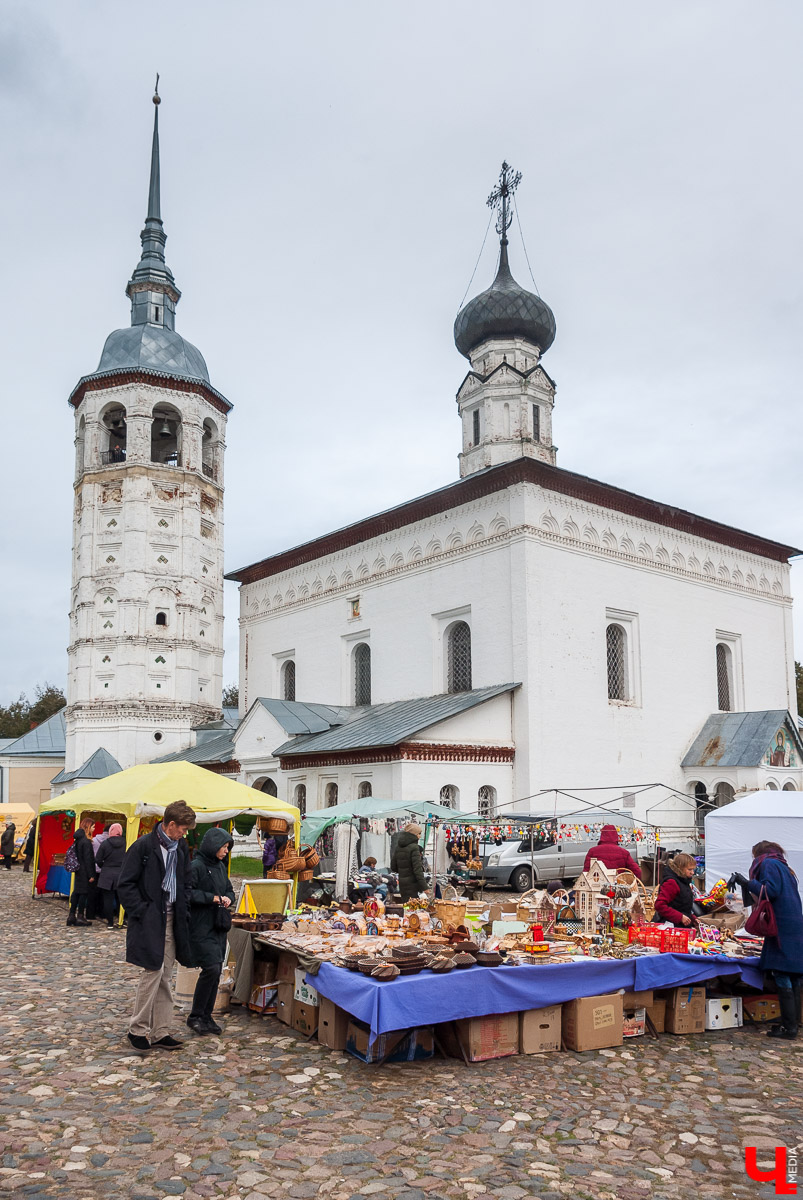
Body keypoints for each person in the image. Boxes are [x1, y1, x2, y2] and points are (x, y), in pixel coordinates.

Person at [117, 800, 196, 1052]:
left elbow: (184, 881)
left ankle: (161, 1031)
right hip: (151, 918)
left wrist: (184, 906)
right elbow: (125, 884)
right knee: (152, 972)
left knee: (166, 975)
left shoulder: (180, 847)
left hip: (173, 918)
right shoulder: (143, 847)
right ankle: (137, 1029)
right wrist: (142, 910)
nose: (185, 833)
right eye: (183, 829)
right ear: (171, 825)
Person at [731, 841, 803, 1040]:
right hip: (792, 921)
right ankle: (793, 1025)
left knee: (782, 974)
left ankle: (789, 1028)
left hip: (782, 924)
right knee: (794, 975)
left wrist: (747, 882)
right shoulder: (784, 866)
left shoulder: (768, 864)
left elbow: (770, 890)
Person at [187, 826, 235, 1036]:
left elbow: (228, 888)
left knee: (215, 971)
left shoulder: (220, 866)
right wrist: (212, 898)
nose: (225, 851)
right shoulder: (196, 866)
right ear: (213, 846)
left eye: (227, 847)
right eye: (223, 847)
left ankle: (206, 1016)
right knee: (211, 969)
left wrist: (228, 898)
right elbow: (187, 893)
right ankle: (195, 1016)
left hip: (218, 925)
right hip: (201, 925)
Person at [653, 852, 699, 928]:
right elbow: (660, 905)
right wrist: (680, 917)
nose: (692, 872)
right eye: (689, 869)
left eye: (693, 869)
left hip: (679, 926)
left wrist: (692, 918)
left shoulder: (683, 880)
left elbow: (680, 906)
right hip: (669, 926)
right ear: (681, 868)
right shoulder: (671, 883)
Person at [96, 822, 126, 928]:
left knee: (107, 900)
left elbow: (98, 859)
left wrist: (104, 866)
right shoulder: (126, 843)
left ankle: (110, 922)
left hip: (107, 874)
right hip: (121, 874)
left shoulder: (105, 843)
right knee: (121, 899)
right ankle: (121, 919)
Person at [66, 823, 97, 926]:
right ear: (88, 828)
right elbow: (88, 859)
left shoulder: (78, 841)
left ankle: (71, 915)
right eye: (93, 826)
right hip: (84, 871)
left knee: (76, 893)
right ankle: (80, 916)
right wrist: (91, 874)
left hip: (78, 870)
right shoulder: (86, 842)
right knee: (83, 893)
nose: (94, 829)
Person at [391, 823, 427, 902]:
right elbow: (417, 870)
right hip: (413, 883)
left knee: (406, 905)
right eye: (419, 833)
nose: (420, 836)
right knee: (414, 906)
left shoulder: (398, 847)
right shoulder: (414, 847)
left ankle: (405, 914)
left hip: (402, 883)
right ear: (414, 834)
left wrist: (403, 871)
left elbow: (393, 867)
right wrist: (424, 887)